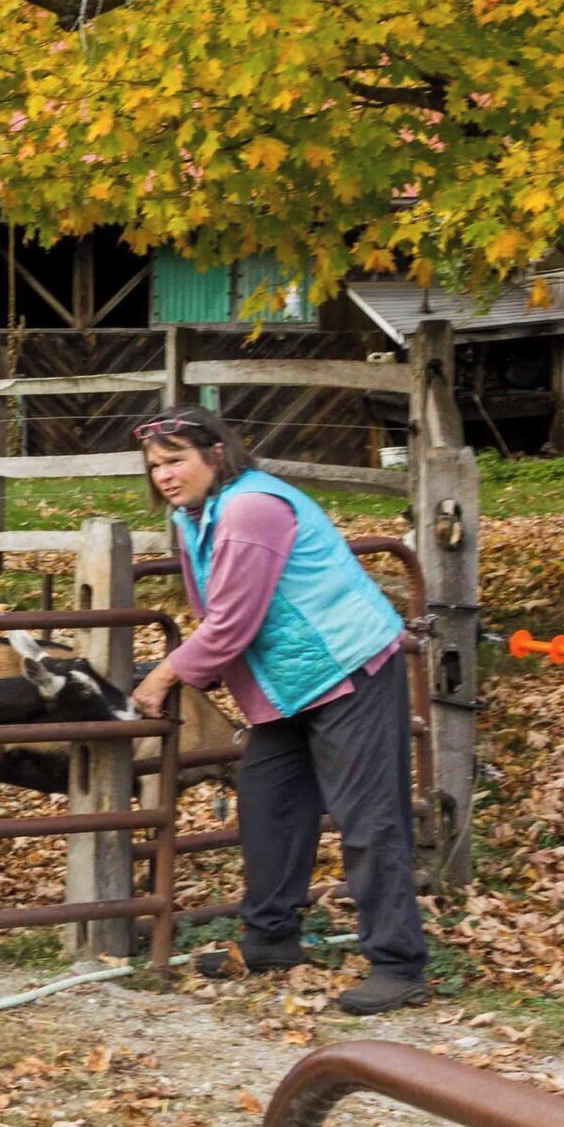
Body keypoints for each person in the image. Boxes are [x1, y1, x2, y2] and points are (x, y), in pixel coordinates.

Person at [127, 407, 429, 1015]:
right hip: (288, 682)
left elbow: (234, 621)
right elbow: (216, 610)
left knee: (369, 819)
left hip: (348, 667)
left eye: (176, 459)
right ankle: (271, 940)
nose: (164, 474)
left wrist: (165, 675)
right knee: (269, 806)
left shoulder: (249, 509)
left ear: (216, 454)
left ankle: (400, 965)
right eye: (156, 465)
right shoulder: (193, 515)